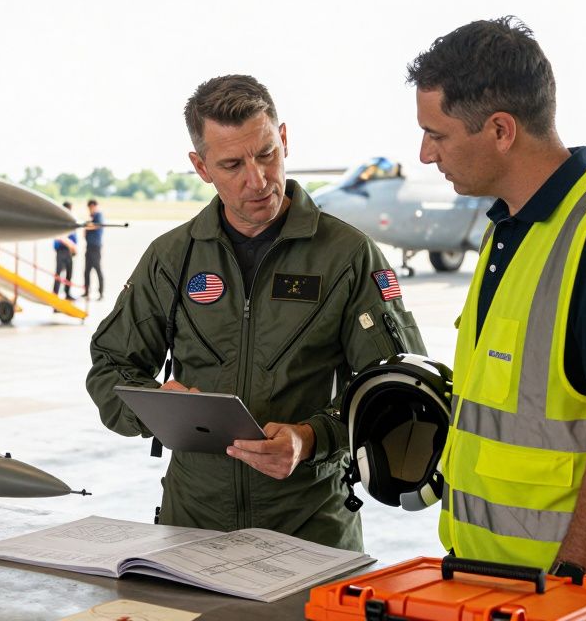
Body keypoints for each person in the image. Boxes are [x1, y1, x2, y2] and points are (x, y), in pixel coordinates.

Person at [406, 17, 586, 600]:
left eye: (436, 135)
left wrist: (569, 588)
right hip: (498, 583)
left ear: (500, 130)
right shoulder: (509, 228)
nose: (424, 154)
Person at [85, 74, 426, 551]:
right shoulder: (172, 257)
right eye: (231, 164)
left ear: (283, 138)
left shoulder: (348, 255)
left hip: (310, 528)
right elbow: (110, 367)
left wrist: (311, 438)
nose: (258, 179)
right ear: (201, 167)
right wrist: (157, 406)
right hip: (193, 527)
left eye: (266, 154)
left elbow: (401, 390)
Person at [53, 201, 78, 300]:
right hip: (61, 251)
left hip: (69, 252)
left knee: (69, 274)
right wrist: (70, 244)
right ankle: (55, 295)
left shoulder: (71, 222)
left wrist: (73, 248)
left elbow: (74, 237)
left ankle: (67, 294)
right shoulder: (59, 222)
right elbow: (58, 237)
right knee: (59, 274)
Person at [83, 199, 105, 300]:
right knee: (87, 271)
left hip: (95, 247)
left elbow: (96, 226)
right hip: (89, 247)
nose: (90, 209)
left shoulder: (98, 215)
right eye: (89, 208)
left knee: (97, 269)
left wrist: (87, 225)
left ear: (95, 206)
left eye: (92, 207)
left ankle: (101, 293)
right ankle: (86, 292)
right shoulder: (91, 218)